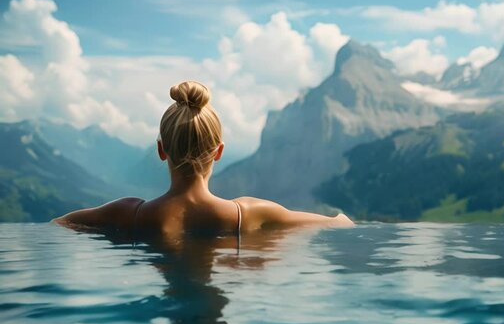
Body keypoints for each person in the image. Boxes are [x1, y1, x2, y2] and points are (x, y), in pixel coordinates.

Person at [53, 81, 354, 238]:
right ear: (219, 152)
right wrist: (339, 216)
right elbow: (338, 224)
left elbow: (59, 224)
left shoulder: (128, 214)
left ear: (161, 150)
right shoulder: (248, 215)